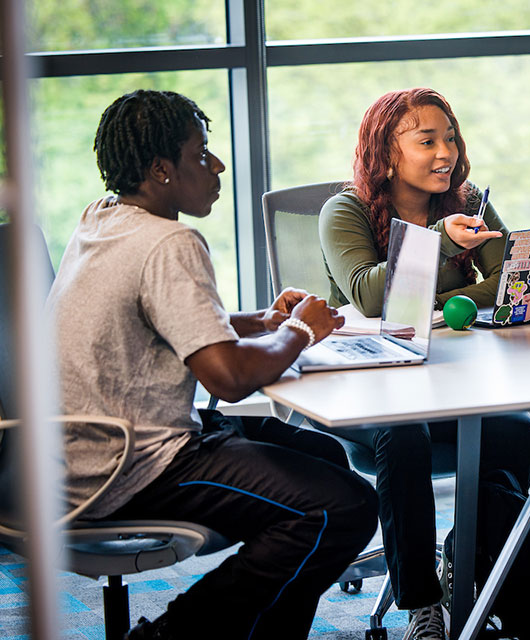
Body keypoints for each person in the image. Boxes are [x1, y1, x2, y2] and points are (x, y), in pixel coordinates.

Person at [47, 90, 379, 640]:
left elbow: (159, 318)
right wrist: (302, 331)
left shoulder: (102, 218)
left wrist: (264, 322)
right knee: (340, 508)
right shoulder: (170, 240)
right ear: (160, 170)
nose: (218, 165)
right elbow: (227, 379)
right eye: (201, 154)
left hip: (77, 451)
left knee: (322, 454)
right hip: (128, 468)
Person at [318, 88, 530, 640]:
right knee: (405, 438)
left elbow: (513, 279)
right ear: (387, 152)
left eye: (450, 138)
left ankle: (476, 574)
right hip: (365, 389)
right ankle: (422, 603)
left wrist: (435, 302)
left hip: (443, 382)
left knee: (520, 434)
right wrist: (440, 243)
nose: (445, 152)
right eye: (427, 141)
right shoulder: (344, 211)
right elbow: (371, 298)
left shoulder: (469, 202)